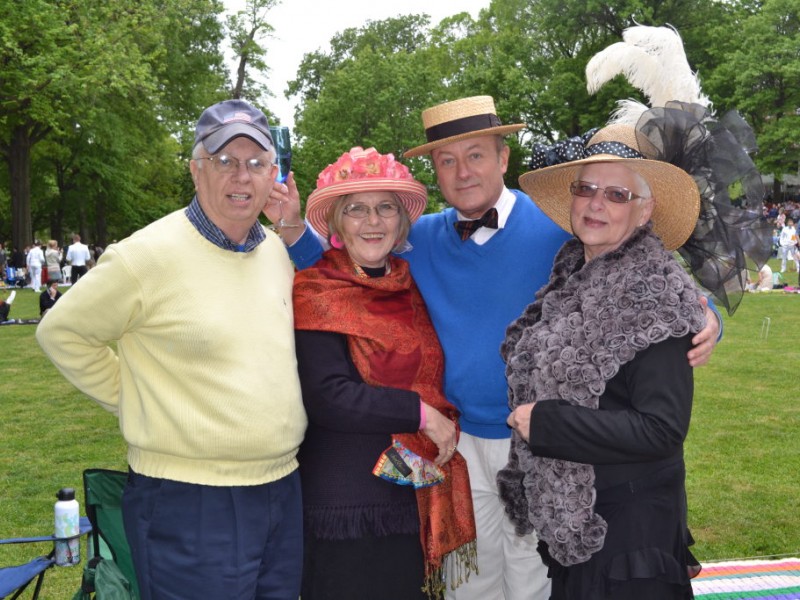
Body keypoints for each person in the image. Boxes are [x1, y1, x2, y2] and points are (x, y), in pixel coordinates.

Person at [268, 96, 721, 599]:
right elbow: (350, 266)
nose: (463, 172)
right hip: (455, 443)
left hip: (542, 440)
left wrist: (709, 315)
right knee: (471, 584)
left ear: (504, 159)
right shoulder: (419, 239)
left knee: (535, 580)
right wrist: (292, 231)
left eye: (476, 154)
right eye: (447, 160)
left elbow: (646, 267)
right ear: (435, 173)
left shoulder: (564, 224)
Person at [37, 99, 307, 600]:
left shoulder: (274, 250)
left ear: (275, 173)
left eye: (256, 163)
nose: (241, 178)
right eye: (225, 161)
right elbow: (62, 332)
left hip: (282, 488)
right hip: (189, 500)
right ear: (196, 168)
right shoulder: (145, 256)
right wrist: (139, 397)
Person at [293, 147, 476, 599]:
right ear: (336, 223)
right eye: (356, 209)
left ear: (401, 221)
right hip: (348, 502)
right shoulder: (318, 289)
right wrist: (422, 415)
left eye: (385, 207)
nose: (372, 221)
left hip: (411, 490)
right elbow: (329, 395)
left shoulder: (409, 285)